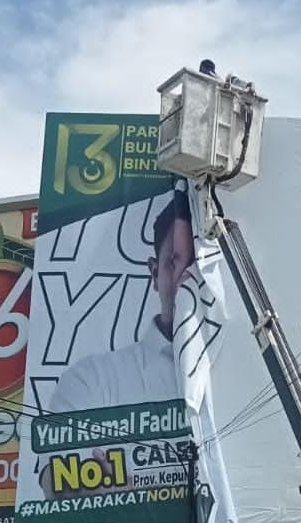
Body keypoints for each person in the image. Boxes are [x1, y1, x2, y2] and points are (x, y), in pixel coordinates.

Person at [37, 188, 198, 499]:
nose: (185, 278)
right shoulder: (93, 378)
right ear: (154, 272)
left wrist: (123, 484)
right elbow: (55, 479)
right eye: (173, 263)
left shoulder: (247, 374)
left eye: (196, 263)